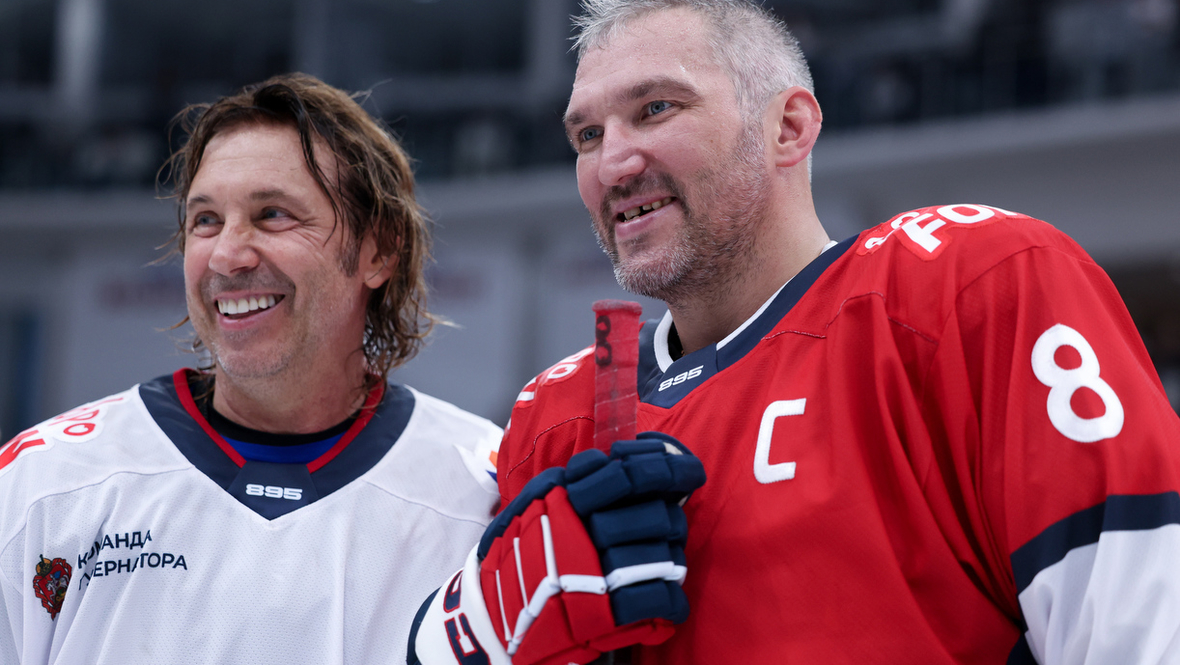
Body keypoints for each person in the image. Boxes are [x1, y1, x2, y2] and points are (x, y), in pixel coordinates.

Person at [410, 1, 1180, 664]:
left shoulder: (968, 285)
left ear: (788, 126)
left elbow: (1141, 626)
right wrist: (472, 634)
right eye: (585, 135)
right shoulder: (555, 417)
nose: (611, 162)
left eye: (656, 109)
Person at [0, 73, 502, 665]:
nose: (227, 255)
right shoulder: (44, 485)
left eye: (272, 215)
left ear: (378, 251)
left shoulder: (484, 493)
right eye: (205, 220)